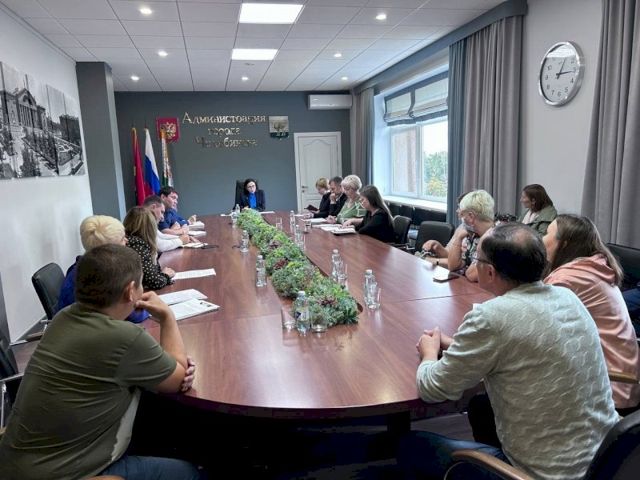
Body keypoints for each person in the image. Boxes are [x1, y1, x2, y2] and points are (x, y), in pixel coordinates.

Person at [399, 223, 619, 480]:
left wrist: (428, 353)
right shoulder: (568, 297)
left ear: (490, 272)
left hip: (547, 475)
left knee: (411, 445)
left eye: (477, 260)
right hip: (607, 462)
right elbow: (524, 345)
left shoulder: (491, 317)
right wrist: (459, 346)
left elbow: (433, 388)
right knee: (481, 406)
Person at [0, 244, 203, 480]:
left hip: (15, 464)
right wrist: (167, 317)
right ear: (130, 292)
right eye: (141, 285)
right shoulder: (125, 338)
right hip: (65, 473)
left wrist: (164, 363)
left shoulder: (63, 317)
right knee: (190, 473)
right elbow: (178, 380)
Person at [542, 214, 640, 411]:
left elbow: (536, 325)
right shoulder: (593, 266)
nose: (541, 239)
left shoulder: (568, 278)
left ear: (564, 244)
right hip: (621, 381)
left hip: (610, 390)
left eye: (546, 233)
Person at [56, 215, 148, 324]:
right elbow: (135, 315)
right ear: (111, 251)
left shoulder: (80, 268)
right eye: (122, 239)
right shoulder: (106, 278)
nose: (126, 241)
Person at [447, 189, 494, 282]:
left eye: (462, 215)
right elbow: (452, 266)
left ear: (471, 217)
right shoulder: (473, 234)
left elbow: (471, 274)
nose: (461, 218)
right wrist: (458, 238)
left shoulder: (496, 237)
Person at [124, 206, 175, 290]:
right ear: (150, 227)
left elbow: (155, 272)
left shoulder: (132, 240)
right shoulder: (137, 244)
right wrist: (166, 275)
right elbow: (154, 281)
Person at [418, 192, 469, 268]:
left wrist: (432, 260)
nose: (457, 211)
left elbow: (459, 264)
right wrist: (438, 246)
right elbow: (449, 253)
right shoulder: (462, 227)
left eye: (459, 208)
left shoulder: (478, 234)